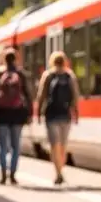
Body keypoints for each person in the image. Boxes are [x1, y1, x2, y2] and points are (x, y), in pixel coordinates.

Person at [0, 48, 33, 185]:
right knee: (15, 146)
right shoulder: (21, 74)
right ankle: (12, 173)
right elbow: (28, 95)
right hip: (17, 114)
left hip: (1, 114)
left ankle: (3, 173)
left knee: (2, 145)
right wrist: (30, 113)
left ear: (3, 59)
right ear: (16, 59)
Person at [35, 51, 80, 185]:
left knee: (54, 145)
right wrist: (76, 112)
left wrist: (38, 113)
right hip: (65, 114)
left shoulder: (48, 75)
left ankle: (58, 173)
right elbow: (75, 95)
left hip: (51, 114)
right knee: (63, 146)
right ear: (64, 61)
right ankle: (61, 170)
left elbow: (41, 95)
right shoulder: (69, 75)